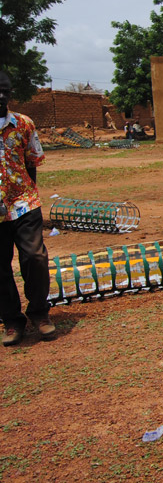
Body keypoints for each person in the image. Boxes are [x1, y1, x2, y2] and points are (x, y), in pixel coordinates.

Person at [1, 71, 55, 346]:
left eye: (6, 92)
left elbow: (32, 162)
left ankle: (40, 313)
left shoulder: (24, 124)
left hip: (24, 204)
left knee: (34, 258)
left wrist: (27, 194)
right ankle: (11, 321)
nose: (1, 96)